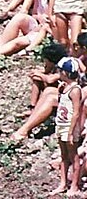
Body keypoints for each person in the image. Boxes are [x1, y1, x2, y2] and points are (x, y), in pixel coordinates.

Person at [49, 57, 83, 196]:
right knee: (64, 155)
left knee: (73, 155)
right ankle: (62, 184)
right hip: (61, 125)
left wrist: (70, 132)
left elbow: (75, 112)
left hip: (70, 127)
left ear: (67, 73)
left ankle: (74, 185)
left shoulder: (75, 90)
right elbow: (62, 105)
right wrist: (59, 93)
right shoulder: (65, 87)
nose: (59, 73)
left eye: (61, 71)